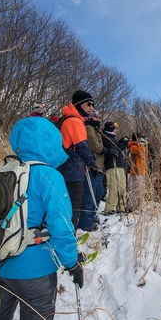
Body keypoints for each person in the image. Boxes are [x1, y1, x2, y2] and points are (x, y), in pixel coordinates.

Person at [0, 117, 83, 320]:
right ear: (51, 142)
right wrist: (72, 263)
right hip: (35, 270)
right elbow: (61, 227)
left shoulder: (2, 171)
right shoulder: (49, 176)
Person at [56, 90, 99, 229]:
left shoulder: (68, 119)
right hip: (73, 172)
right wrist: (92, 164)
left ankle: (64, 239)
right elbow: (82, 146)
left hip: (65, 168)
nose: (91, 107)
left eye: (93, 104)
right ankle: (68, 244)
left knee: (66, 207)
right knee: (72, 209)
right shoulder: (74, 121)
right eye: (89, 104)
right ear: (80, 104)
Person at [79, 111, 105, 231]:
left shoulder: (96, 130)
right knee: (90, 195)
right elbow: (96, 147)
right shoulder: (89, 128)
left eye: (99, 117)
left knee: (99, 192)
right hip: (91, 167)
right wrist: (104, 149)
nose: (98, 119)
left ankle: (92, 215)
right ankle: (86, 223)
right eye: (95, 116)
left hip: (98, 167)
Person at [101, 121, 127, 215]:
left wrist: (121, 142)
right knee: (114, 188)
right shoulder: (106, 137)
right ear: (111, 128)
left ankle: (121, 207)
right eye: (115, 128)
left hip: (119, 164)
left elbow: (116, 147)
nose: (116, 130)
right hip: (112, 165)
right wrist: (123, 145)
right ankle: (109, 208)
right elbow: (115, 149)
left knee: (122, 187)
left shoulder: (112, 137)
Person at [127, 132, 148, 212]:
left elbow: (145, 155)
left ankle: (138, 207)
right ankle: (132, 207)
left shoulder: (140, 146)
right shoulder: (133, 146)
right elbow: (141, 152)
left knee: (140, 190)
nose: (142, 139)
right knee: (135, 190)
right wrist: (142, 144)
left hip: (141, 171)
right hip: (135, 171)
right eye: (140, 138)